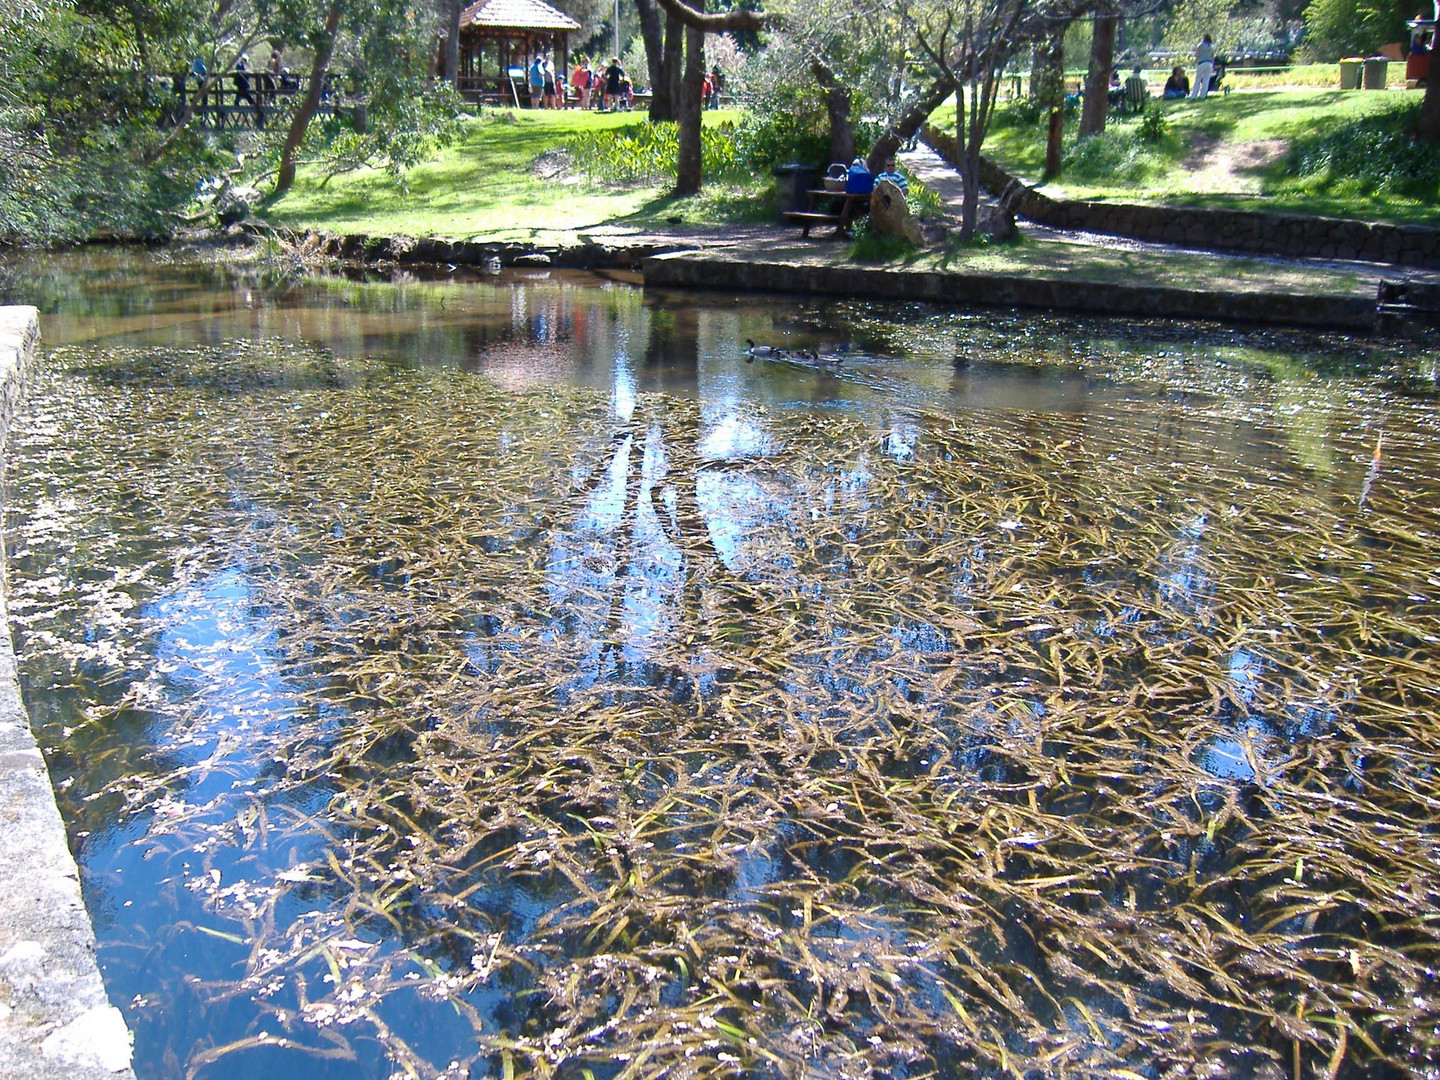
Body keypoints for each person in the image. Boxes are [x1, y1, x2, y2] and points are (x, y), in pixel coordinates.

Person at [233, 54, 265, 127]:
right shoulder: (240, 65)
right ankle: (257, 108)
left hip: (241, 85)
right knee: (247, 96)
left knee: (240, 95)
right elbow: (241, 73)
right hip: (243, 85)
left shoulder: (240, 65)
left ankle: (237, 103)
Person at [1191, 33, 1215, 99]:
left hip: (1201, 63)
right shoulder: (1211, 46)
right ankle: (1203, 95)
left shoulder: (1200, 45)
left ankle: (1194, 96)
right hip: (1209, 63)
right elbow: (1212, 56)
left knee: (1198, 79)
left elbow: (1197, 54)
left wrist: (1196, 59)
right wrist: (1213, 65)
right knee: (1206, 80)